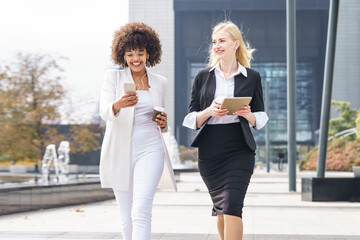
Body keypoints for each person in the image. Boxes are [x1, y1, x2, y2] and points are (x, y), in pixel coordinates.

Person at [183, 21, 269, 240]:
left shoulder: (252, 77)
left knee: (231, 205)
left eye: (222, 41)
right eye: (214, 42)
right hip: (211, 150)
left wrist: (247, 114)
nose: (217, 46)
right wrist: (209, 111)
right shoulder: (203, 76)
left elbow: (260, 115)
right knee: (222, 209)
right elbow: (191, 117)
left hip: (240, 148)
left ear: (235, 44)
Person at [99, 22, 177, 240]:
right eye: (130, 53)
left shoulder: (160, 82)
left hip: (151, 149)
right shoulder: (112, 78)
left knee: (141, 209)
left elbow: (161, 119)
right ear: (122, 55)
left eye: (140, 53)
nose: (135, 58)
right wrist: (118, 104)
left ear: (149, 53)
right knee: (126, 216)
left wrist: (163, 123)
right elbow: (104, 111)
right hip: (119, 152)